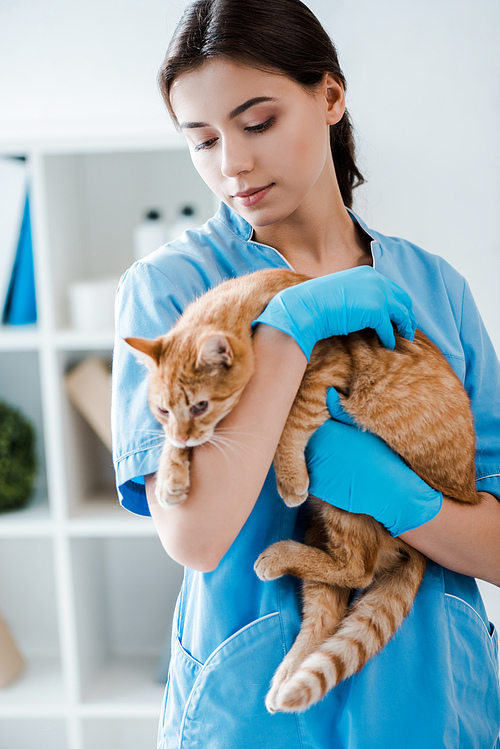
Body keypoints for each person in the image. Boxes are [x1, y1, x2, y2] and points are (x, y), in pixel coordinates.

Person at [111, 0, 500, 746]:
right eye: (201, 140)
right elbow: (193, 536)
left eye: (257, 123)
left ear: (330, 96)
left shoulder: (435, 285)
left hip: (432, 695)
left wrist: (408, 504)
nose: (232, 165)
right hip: (253, 704)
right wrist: (290, 328)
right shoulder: (174, 289)